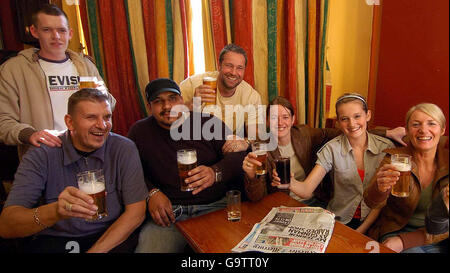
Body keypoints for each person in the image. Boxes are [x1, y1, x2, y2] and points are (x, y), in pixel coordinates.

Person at [0, 89, 147, 253]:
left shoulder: (123, 148)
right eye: (91, 117)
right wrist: (57, 211)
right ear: (70, 122)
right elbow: (6, 226)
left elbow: (136, 212)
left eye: (107, 117)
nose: (102, 125)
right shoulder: (42, 153)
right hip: (58, 239)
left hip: (109, 235)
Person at [128, 78, 246, 253]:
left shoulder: (207, 123)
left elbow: (238, 156)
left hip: (214, 207)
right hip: (168, 215)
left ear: (182, 101)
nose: (167, 106)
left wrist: (215, 173)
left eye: (172, 98)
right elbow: (129, 172)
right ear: (149, 107)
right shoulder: (139, 132)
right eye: (158, 101)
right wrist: (151, 192)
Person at [0, 4, 115, 158]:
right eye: (47, 30)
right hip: (46, 153)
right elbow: (3, 120)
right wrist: (30, 134)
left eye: (61, 30)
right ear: (34, 31)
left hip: (89, 150)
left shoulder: (85, 65)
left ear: (70, 33)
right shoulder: (14, 69)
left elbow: (109, 106)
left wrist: (103, 95)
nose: (56, 36)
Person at [272, 94, 395, 234]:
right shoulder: (331, 149)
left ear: (368, 115)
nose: (352, 124)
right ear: (338, 123)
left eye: (357, 116)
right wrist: (290, 183)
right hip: (340, 221)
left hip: (374, 223)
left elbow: (380, 201)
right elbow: (306, 190)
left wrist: (360, 231)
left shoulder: (386, 148)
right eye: (344, 119)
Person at [364, 103, 449, 253]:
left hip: (439, 236)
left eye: (431, 123)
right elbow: (371, 201)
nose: (423, 130)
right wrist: (379, 188)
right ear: (408, 131)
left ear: (442, 130)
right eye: (416, 124)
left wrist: (405, 242)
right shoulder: (394, 158)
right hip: (396, 232)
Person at [179, 44, 262, 153]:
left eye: (239, 68)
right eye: (229, 65)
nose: (233, 72)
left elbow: (255, 132)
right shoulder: (191, 84)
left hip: (226, 150)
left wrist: (245, 142)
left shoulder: (251, 95)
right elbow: (170, 118)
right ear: (219, 66)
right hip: (194, 146)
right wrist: (192, 104)